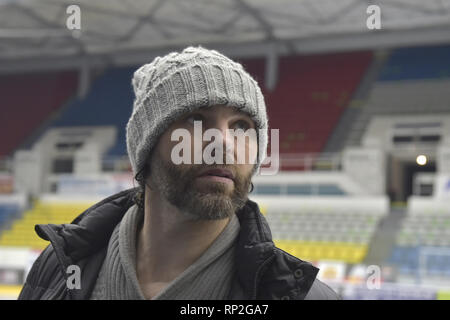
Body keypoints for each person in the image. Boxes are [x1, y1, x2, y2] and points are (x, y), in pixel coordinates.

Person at [18, 46, 340, 300]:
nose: (223, 143)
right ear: (147, 143)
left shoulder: (302, 296)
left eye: (242, 126)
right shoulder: (57, 268)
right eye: (196, 120)